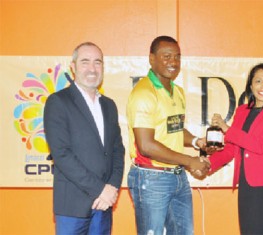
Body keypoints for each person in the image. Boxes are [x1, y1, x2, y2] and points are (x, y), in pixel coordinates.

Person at [126, 35, 210, 235]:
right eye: (166, 56)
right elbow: (146, 146)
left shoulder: (177, 91)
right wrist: (190, 161)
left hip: (177, 176)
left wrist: (198, 142)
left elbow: (174, 129)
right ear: (151, 58)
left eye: (177, 57)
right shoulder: (143, 94)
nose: (173, 62)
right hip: (151, 177)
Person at [44, 42, 125, 235]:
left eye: (97, 63)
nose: (92, 69)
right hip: (73, 205)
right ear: (73, 67)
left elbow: (117, 150)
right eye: (85, 62)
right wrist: (100, 190)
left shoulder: (109, 105)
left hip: (103, 204)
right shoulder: (58, 102)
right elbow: (62, 155)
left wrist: (112, 188)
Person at [208, 63, 263, 235]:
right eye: (258, 81)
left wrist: (227, 128)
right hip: (246, 182)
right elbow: (231, 149)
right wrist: (207, 164)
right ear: (250, 86)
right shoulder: (242, 111)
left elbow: (260, 145)